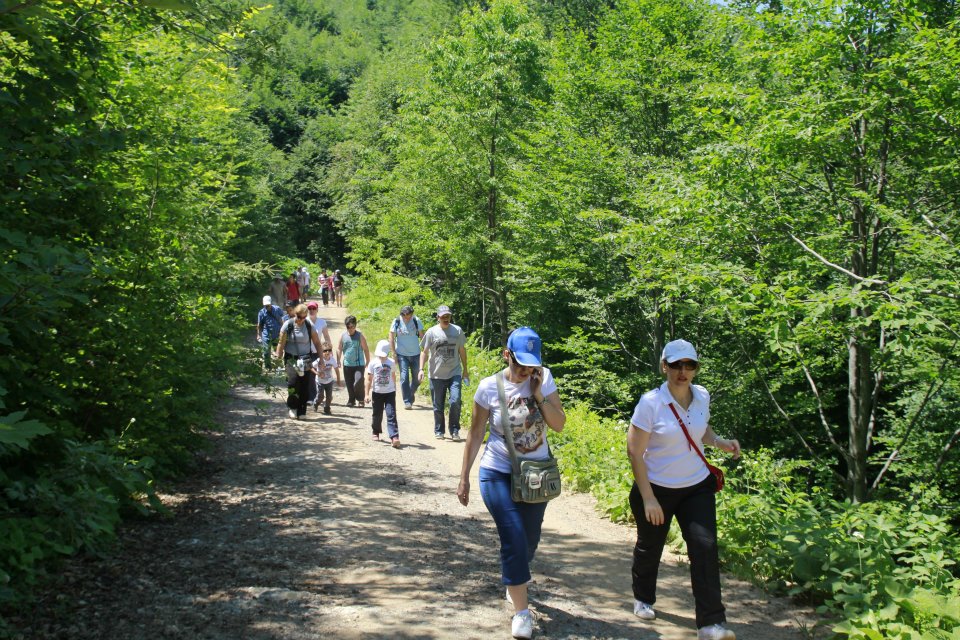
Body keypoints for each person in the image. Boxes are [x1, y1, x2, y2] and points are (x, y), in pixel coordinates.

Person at [627, 339, 741, 640]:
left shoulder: (702, 395)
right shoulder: (650, 403)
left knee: (705, 548)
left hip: (696, 486)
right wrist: (649, 497)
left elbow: (701, 430)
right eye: (676, 365)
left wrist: (720, 442)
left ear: (696, 369)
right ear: (664, 366)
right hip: (657, 489)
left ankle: (711, 623)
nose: (683, 371)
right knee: (650, 547)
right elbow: (634, 451)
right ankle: (643, 597)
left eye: (689, 365)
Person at [457, 327, 566, 640]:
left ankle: (515, 576)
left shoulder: (542, 379)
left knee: (530, 539)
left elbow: (559, 424)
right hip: (497, 472)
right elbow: (476, 433)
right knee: (514, 536)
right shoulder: (488, 387)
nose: (523, 372)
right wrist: (464, 476)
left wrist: (539, 394)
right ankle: (521, 613)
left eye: (530, 366)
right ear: (506, 354)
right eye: (519, 364)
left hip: (536, 476)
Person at [418, 305, 469, 441]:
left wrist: (465, 370)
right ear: (438, 318)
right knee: (438, 405)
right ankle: (439, 430)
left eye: (448, 316)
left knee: (455, 400)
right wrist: (421, 369)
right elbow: (424, 352)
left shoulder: (457, 331)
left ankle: (454, 430)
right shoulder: (431, 332)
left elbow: (462, 351)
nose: (446, 319)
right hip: (436, 375)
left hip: (454, 372)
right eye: (443, 316)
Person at [275, 303, 324, 420]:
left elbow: (317, 342)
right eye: (299, 316)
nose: (301, 320)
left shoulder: (309, 325)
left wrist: (321, 358)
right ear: (294, 314)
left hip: (305, 358)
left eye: (303, 317)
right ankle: (292, 407)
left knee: (304, 384)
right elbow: (281, 343)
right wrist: (278, 355)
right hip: (291, 358)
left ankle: (302, 411)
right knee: (292, 382)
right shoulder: (288, 325)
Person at [365, 340, 400, 447]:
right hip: (377, 393)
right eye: (379, 355)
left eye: (383, 355)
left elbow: (393, 375)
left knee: (391, 414)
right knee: (377, 414)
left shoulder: (391, 362)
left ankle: (394, 437)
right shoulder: (373, 363)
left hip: (389, 393)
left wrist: (394, 387)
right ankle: (375, 432)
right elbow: (369, 379)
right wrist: (366, 394)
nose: (381, 357)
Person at [389, 305, 425, 409]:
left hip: (416, 354)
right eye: (405, 316)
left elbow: (423, 337)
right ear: (402, 314)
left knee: (417, 379)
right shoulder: (396, 321)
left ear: (412, 314)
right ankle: (407, 401)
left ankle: (410, 394)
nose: (407, 319)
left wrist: (425, 351)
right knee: (404, 377)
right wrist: (394, 353)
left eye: (409, 316)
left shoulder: (416, 320)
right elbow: (391, 337)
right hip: (401, 354)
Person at [305, 302, 333, 408]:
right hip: (306, 351)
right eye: (310, 308)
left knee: (320, 373)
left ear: (317, 310)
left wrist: (329, 351)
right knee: (309, 374)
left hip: (318, 351)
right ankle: (311, 397)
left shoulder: (322, 322)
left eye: (314, 308)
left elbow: (326, 336)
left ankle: (318, 396)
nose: (311, 310)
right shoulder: (304, 321)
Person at [338, 314, 370, 408]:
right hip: (347, 364)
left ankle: (360, 399)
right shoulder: (343, 336)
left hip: (359, 364)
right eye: (348, 327)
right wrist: (338, 359)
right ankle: (351, 400)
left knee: (358, 381)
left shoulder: (360, 336)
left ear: (355, 326)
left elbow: (366, 349)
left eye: (352, 326)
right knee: (349, 383)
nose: (350, 329)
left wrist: (368, 361)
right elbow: (339, 348)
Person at [256, 296, 285, 369]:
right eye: (265, 306)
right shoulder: (261, 312)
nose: (267, 307)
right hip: (266, 335)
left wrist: (283, 330)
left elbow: (283, 318)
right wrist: (258, 335)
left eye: (268, 305)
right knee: (266, 352)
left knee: (278, 351)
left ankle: (278, 366)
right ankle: (268, 367)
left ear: (271, 303)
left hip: (277, 334)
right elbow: (259, 325)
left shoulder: (277, 309)